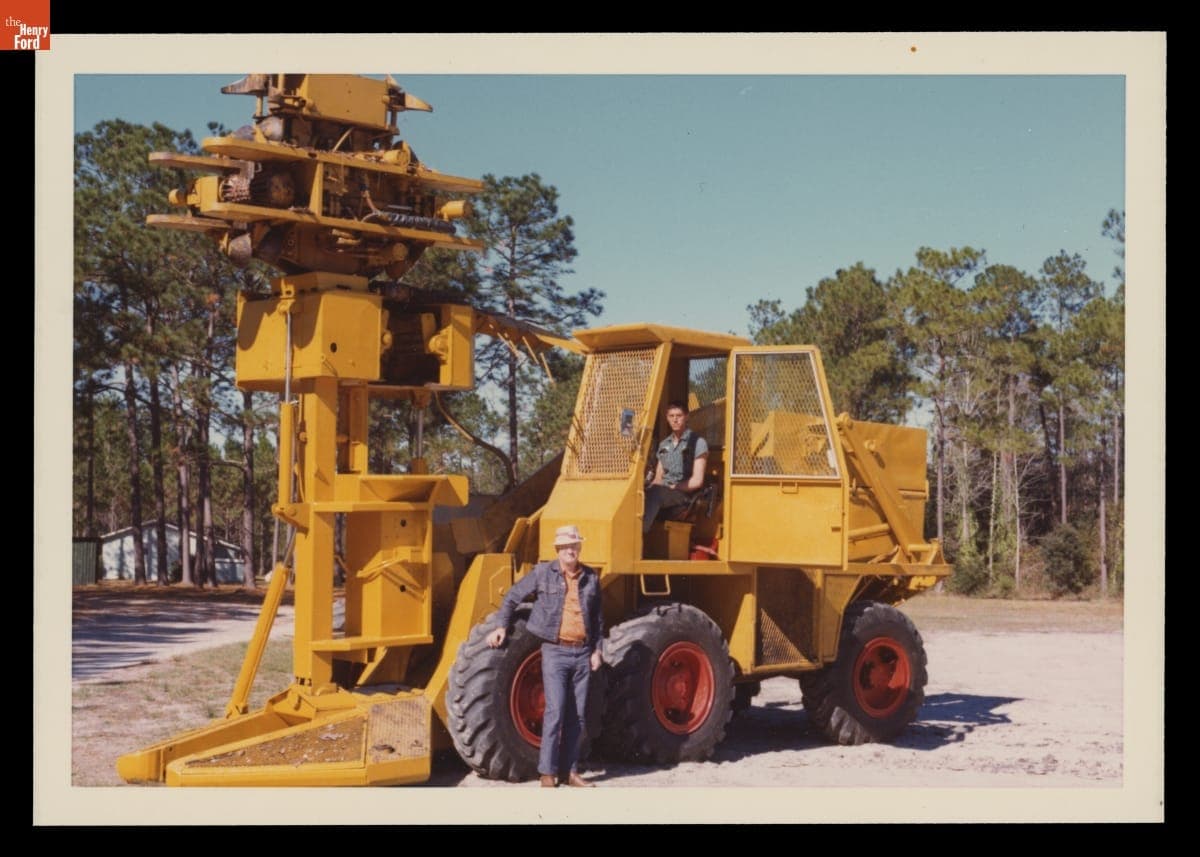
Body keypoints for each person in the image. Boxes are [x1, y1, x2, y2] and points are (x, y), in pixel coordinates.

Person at [487, 524, 604, 788]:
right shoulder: (542, 573)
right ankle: (547, 773)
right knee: (554, 711)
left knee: (578, 716)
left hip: (583, 653)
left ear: (579, 548)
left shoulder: (590, 578)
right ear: (558, 550)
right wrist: (501, 627)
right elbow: (512, 597)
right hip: (555, 652)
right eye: (565, 546)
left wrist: (597, 650)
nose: (570, 550)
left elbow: (597, 619)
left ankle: (571, 772)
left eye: (574, 545)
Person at [643, 400, 709, 533]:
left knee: (656, 493)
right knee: (639, 494)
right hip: (664, 492)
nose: (675, 420)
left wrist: (675, 486)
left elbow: (697, 481)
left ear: (686, 417)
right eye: (671, 416)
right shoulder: (664, 445)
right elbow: (658, 478)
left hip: (683, 495)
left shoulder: (698, 443)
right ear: (667, 418)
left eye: (679, 416)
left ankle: (638, 537)